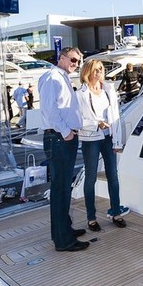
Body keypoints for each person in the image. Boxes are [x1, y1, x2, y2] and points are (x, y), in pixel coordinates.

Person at [38, 46, 87, 253]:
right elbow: (50, 111)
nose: (76, 65)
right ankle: (63, 240)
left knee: (64, 187)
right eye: (73, 60)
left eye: (79, 61)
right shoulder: (53, 78)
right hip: (59, 138)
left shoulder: (61, 77)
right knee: (60, 190)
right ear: (62, 57)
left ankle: (63, 229)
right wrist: (66, 132)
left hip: (63, 137)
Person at [76, 58, 128, 232]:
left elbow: (115, 116)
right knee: (90, 178)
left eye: (100, 69)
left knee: (113, 175)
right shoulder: (81, 93)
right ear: (87, 71)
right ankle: (91, 217)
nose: (98, 72)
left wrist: (117, 140)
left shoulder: (108, 89)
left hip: (108, 137)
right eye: (95, 69)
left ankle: (116, 212)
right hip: (90, 138)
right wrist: (96, 123)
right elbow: (77, 120)